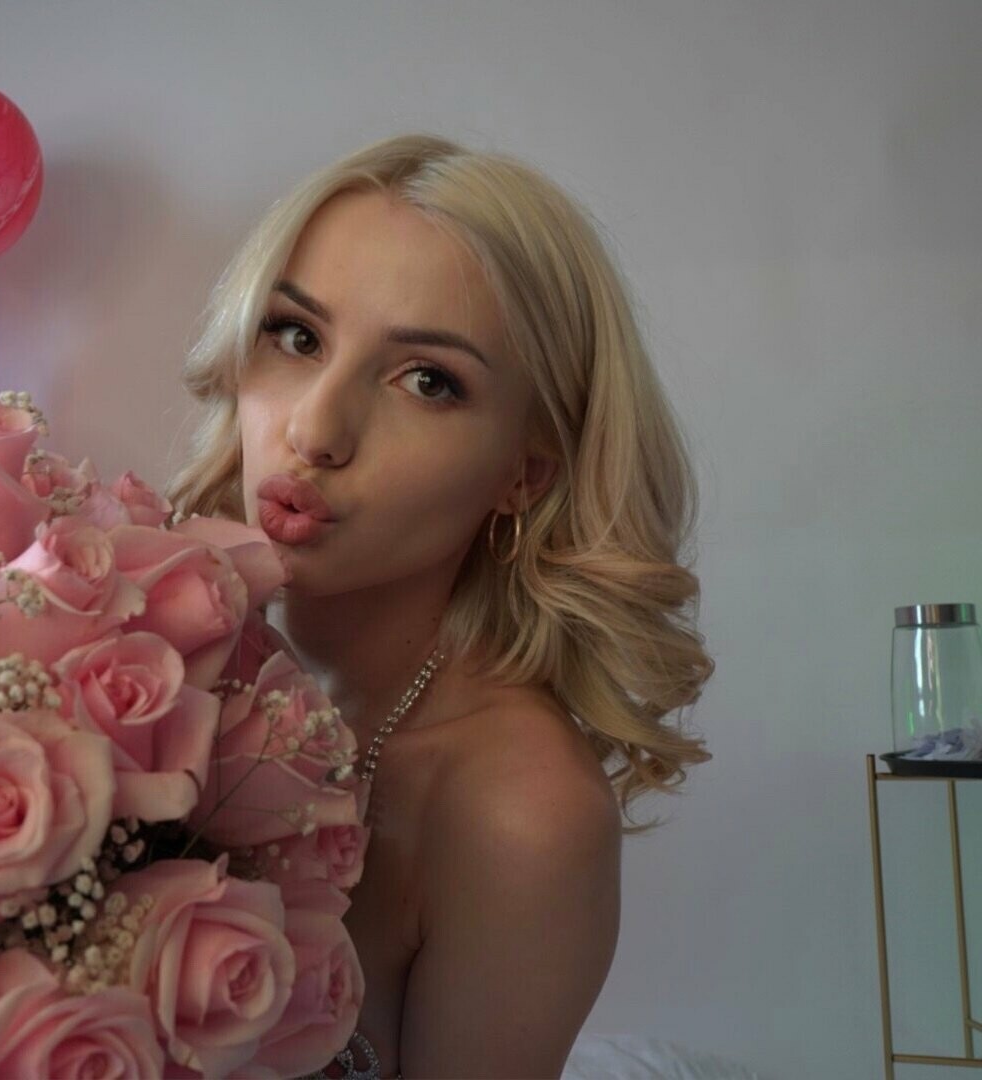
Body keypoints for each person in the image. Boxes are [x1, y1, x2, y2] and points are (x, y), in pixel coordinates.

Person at [166, 133, 715, 1079]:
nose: (315, 430)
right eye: (297, 336)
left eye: (427, 381)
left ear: (525, 472)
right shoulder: (161, 666)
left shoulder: (520, 811)